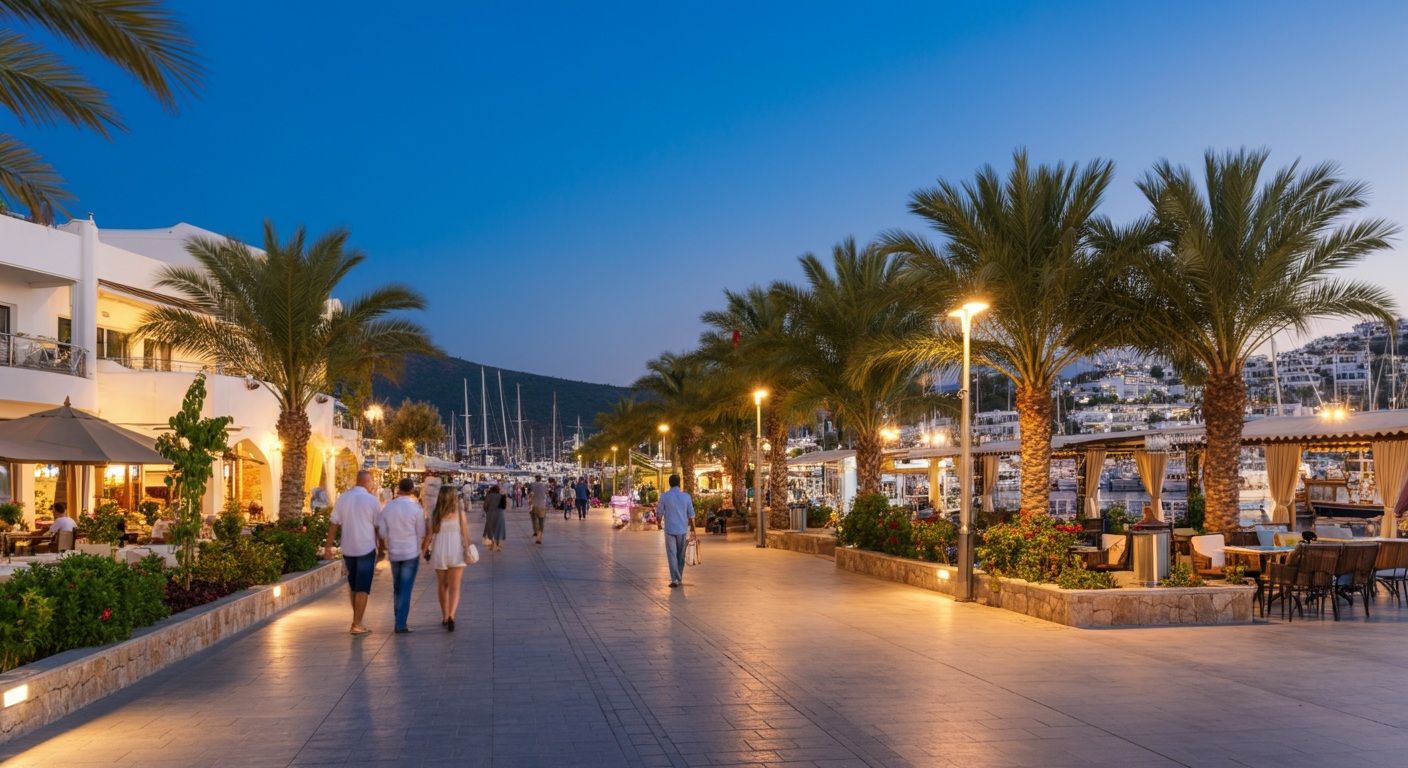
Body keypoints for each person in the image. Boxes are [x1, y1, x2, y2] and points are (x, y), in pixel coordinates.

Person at [325, 470, 381, 635]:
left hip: (348, 548)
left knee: (354, 584)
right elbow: (378, 524)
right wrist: (382, 544)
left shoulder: (343, 498)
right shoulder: (372, 500)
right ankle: (356, 624)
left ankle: (358, 620)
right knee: (363, 586)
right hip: (366, 548)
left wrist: (328, 546)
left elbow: (334, 522)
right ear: (367, 482)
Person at [377, 478, 426, 634]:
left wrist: (385, 543)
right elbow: (421, 532)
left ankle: (398, 618)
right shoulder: (416, 509)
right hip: (410, 552)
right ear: (412, 490)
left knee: (397, 587)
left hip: (394, 552)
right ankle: (400, 623)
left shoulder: (388, 507)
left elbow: (382, 531)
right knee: (405, 588)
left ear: (398, 489)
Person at [423, 487, 470, 631]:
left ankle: (444, 617)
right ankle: (452, 615)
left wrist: (423, 551)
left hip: (440, 551)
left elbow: (429, 536)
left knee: (442, 585)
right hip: (455, 551)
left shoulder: (436, 515)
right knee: (455, 586)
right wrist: (468, 548)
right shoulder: (460, 514)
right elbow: (465, 535)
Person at [657, 474, 695, 588]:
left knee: (672, 555)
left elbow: (659, 512)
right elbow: (691, 515)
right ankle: (679, 577)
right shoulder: (686, 497)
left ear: (669, 483)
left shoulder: (664, 496)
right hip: (683, 530)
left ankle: (675, 579)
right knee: (680, 555)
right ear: (679, 483)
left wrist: (659, 521)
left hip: (670, 530)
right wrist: (693, 530)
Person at [483, 484, 507, 550]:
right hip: (499, 514)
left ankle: (491, 544)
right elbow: (504, 507)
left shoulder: (488, 496)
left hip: (490, 514)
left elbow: (485, 506)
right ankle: (499, 545)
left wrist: (487, 512)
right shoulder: (501, 496)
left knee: (491, 529)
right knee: (500, 529)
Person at [528, 474, 549, 543]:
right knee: (541, 521)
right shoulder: (544, 485)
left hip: (535, 505)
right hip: (542, 505)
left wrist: (530, 504)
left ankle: (536, 531)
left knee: (534, 520)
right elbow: (546, 494)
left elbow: (531, 494)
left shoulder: (533, 485)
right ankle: (539, 538)